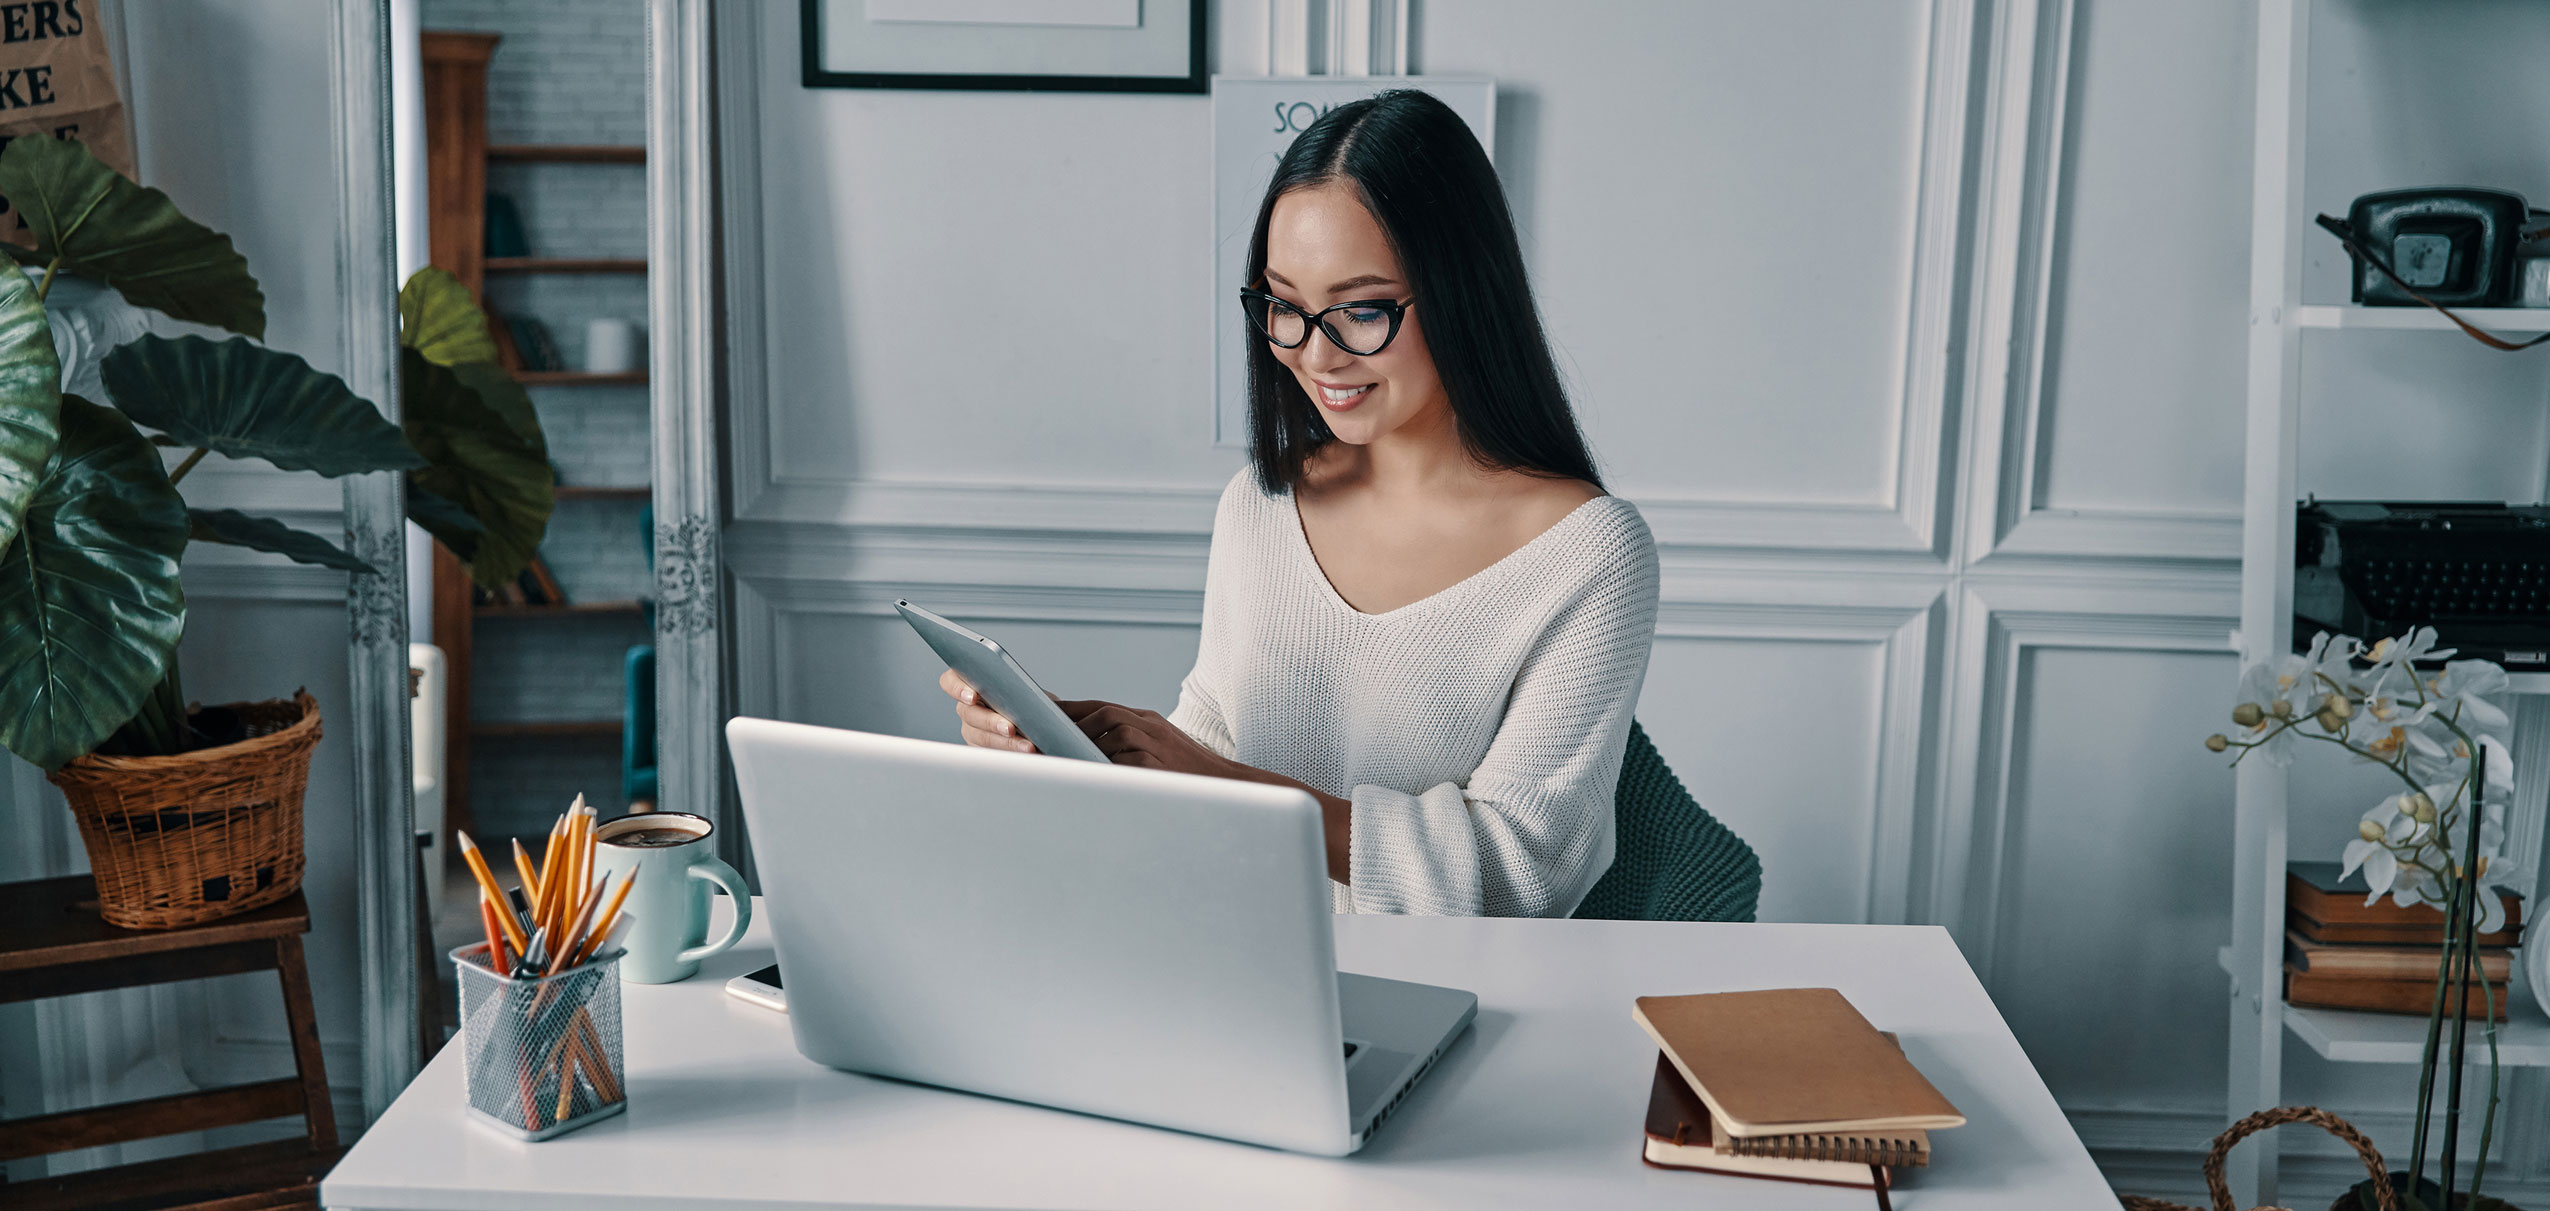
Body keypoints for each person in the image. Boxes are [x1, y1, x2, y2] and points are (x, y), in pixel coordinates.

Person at [941, 89, 1658, 918]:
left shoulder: (1589, 554)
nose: (1314, 354)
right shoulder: (1260, 502)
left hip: (1452, 995)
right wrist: (1086, 754)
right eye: (1284, 305)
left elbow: (1519, 875)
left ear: (1466, 293)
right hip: (1230, 952)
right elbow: (1210, 734)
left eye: (1359, 310)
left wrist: (1224, 783)